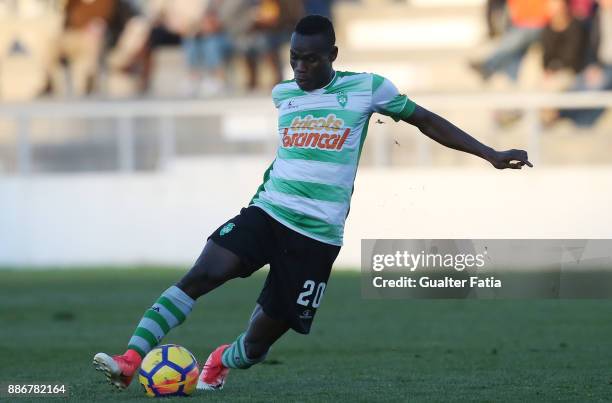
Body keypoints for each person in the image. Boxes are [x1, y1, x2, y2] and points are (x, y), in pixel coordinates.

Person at [93, 15, 532, 392]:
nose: (301, 68)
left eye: (311, 59)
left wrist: (490, 154)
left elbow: (426, 121)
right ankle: (130, 360)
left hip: (317, 235)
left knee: (259, 344)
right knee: (205, 273)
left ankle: (222, 361)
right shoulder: (283, 95)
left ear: (333, 54)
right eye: (295, 59)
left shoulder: (367, 89)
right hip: (268, 212)